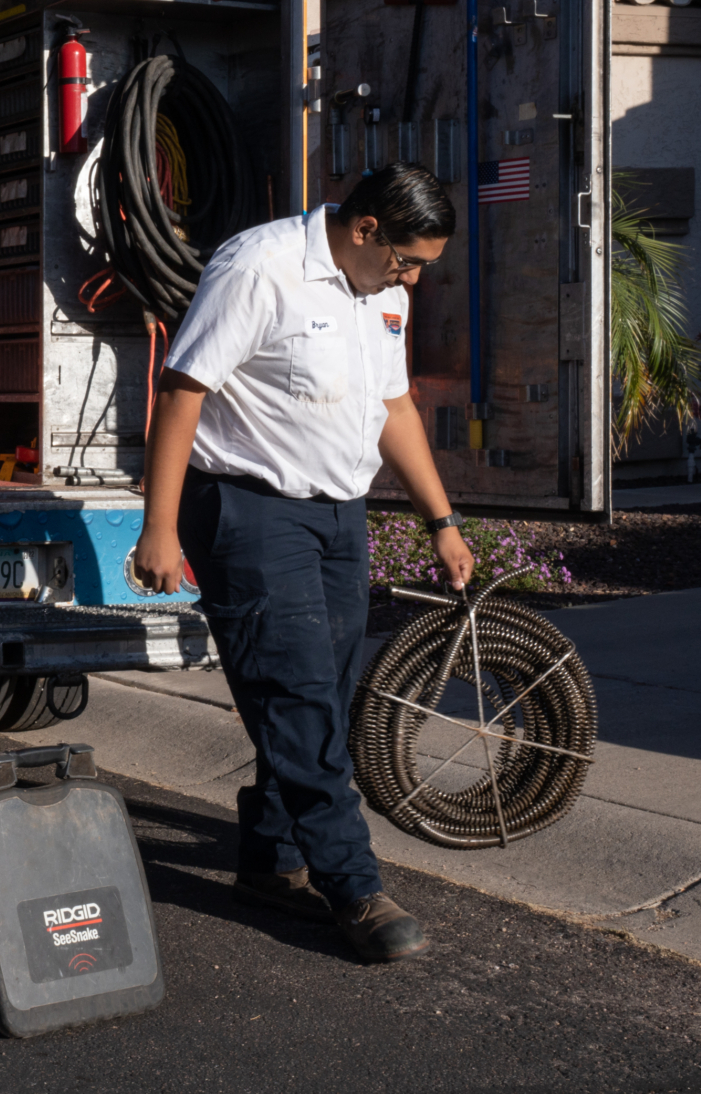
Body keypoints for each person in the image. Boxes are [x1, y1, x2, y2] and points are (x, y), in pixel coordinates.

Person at [132, 163, 475, 964]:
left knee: (327, 690)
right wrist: (159, 527)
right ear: (365, 229)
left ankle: (271, 859)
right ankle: (354, 885)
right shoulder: (259, 267)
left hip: (337, 515)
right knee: (297, 696)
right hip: (249, 509)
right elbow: (182, 391)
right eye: (407, 261)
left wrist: (442, 521)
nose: (413, 279)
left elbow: (393, 407)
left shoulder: (382, 292)